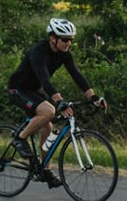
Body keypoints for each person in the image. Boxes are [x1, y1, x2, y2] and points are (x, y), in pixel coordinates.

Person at [6, 18, 108, 187]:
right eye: (65, 39)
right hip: (17, 89)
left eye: (71, 40)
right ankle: (19, 138)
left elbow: (77, 76)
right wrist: (60, 102)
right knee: (49, 111)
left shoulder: (65, 54)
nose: (68, 43)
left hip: (32, 91)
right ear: (52, 38)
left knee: (48, 128)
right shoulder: (38, 52)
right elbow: (45, 81)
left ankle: (44, 170)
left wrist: (93, 97)